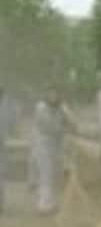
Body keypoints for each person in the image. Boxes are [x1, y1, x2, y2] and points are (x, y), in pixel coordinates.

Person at [28, 86, 77, 214]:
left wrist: (70, 123)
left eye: (56, 94)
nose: (54, 96)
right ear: (47, 95)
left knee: (55, 174)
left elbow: (72, 122)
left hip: (56, 146)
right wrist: (65, 129)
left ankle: (51, 203)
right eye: (51, 94)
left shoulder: (62, 108)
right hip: (42, 145)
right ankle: (43, 205)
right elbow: (47, 127)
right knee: (46, 174)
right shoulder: (40, 108)